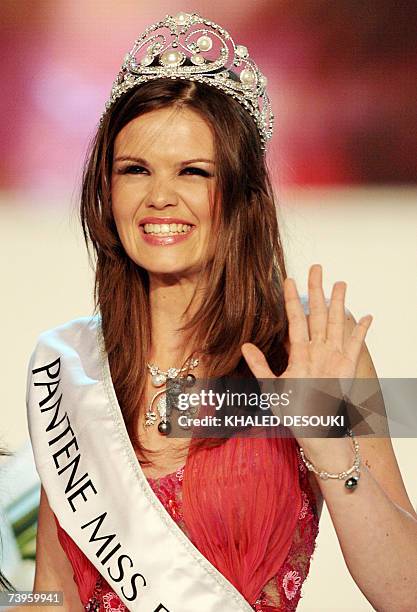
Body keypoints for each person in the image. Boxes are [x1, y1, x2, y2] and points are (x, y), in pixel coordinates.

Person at [26, 11, 417, 612]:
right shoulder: (72, 370)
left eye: (193, 172)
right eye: (136, 170)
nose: (160, 196)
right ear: (106, 188)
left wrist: (331, 445)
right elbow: (52, 591)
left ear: (239, 193)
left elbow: (407, 593)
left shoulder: (307, 349)